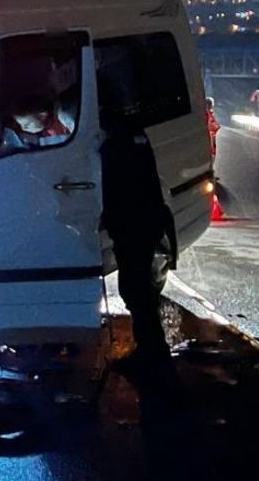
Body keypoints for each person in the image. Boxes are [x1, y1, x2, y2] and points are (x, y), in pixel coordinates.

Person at [100, 120, 176, 373]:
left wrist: (107, 219)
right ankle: (152, 351)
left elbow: (116, 191)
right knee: (140, 290)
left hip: (134, 226)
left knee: (136, 291)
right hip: (144, 223)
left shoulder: (115, 147)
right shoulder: (133, 137)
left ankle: (152, 355)